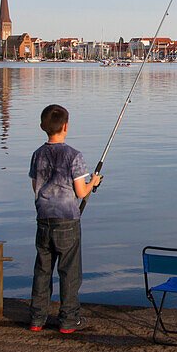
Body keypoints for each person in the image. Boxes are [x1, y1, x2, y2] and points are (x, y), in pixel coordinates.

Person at [28, 104, 101, 334]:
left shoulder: (37, 155)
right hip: (68, 220)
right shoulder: (74, 156)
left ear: (43, 127)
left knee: (42, 270)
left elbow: (35, 187)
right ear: (66, 126)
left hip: (44, 219)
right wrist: (93, 182)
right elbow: (80, 192)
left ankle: (37, 319)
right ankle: (69, 320)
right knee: (69, 271)